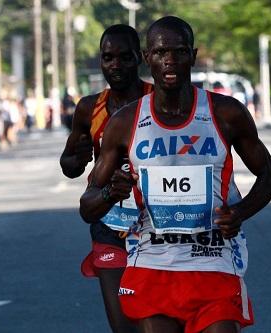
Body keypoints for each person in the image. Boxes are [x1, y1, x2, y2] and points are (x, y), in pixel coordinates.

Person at [80, 16, 271, 333]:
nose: (170, 61)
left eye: (179, 51)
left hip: (212, 260)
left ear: (193, 54)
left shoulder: (226, 113)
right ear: (148, 58)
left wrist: (240, 212)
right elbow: (87, 205)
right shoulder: (125, 122)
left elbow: (270, 176)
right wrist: (110, 194)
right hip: (152, 264)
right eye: (160, 53)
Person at [60, 24, 152, 333]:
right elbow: (70, 164)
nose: (115, 65)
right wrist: (78, 154)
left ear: (139, 58)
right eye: (108, 57)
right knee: (124, 326)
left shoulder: (157, 99)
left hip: (158, 224)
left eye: (124, 57)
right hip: (109, 223)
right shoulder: (89, 108)